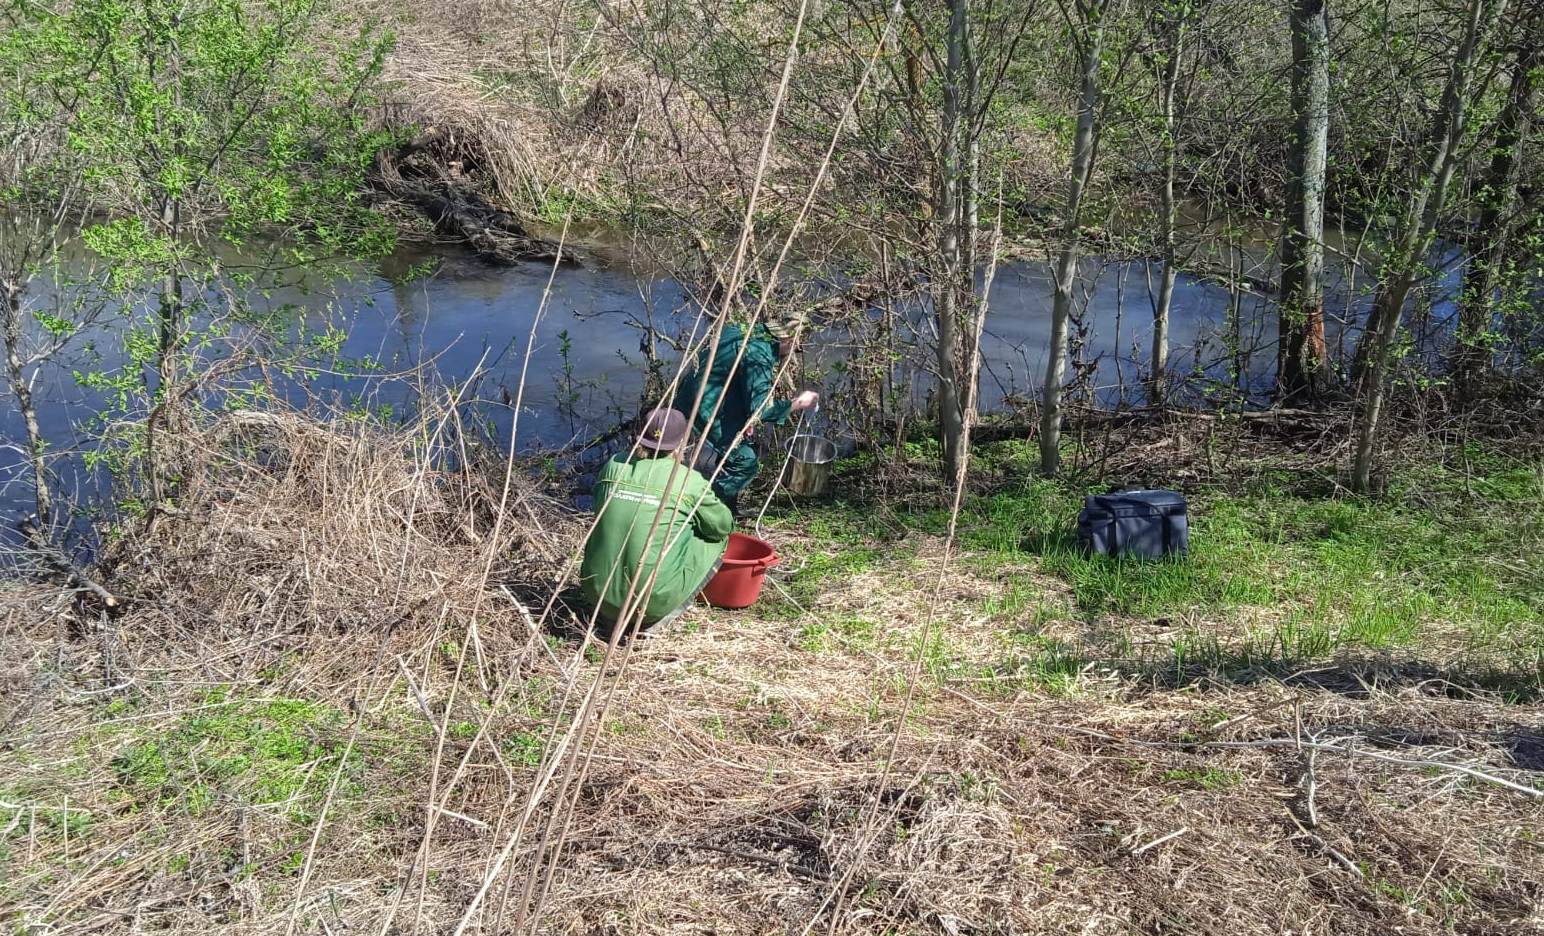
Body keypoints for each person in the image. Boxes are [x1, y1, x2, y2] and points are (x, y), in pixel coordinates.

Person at [580, 407, 733, 634]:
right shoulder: (688, 481)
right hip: (649, 602)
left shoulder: (613, 466)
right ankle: (659, 615)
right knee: (715, 539)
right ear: (683, 443)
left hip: (595, 590)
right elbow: (721, 526)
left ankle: (614, 610)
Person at [678, 314, 820, 515]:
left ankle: (729, 509)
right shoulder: (759, 355)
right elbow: (764, 409)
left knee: (733, 451)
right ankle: (703, 510)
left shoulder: (742, 329)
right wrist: (800, 403)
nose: (793, 353)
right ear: (788, 339)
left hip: (694, 395)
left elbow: (731, 377)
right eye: (796, 347)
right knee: (746, 462)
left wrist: (747, 414)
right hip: (705, 406)